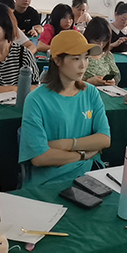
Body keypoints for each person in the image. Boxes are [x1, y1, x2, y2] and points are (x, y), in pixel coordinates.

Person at [19, 30, 111, 185]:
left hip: (89, 176)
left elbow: (104, 139)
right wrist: (84, 154)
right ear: (57, 60)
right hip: (50, 181)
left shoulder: (91, 92)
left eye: (86, 58)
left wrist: (65, 144)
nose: (83, 65)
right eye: (76, 58)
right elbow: (40, 157)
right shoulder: (36, 100)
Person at [83, 17, 120, 86]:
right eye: (97, 40)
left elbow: (116, 77)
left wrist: (112, 82)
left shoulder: (107, 55)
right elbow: (68, 82)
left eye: (105, 41)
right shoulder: (79, 55)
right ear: (89, 37)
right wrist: (88, 82)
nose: (101, 44)